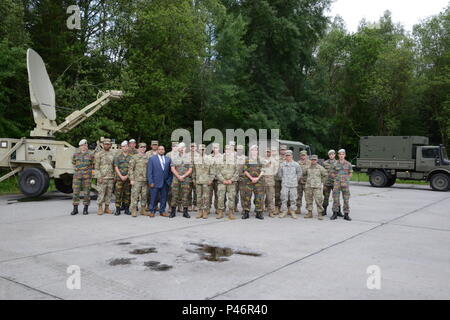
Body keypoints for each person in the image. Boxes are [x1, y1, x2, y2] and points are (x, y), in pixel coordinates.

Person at [71, 139, 94, 215]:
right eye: (81, 146)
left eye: (84, 145)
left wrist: (89, 171)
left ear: (87, 146)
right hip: (77, 176)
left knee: (87, 192)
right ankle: (75, 209)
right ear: (79, 146)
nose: (83, 147)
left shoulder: (91, 154)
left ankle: (85, 208)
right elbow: (74, 163)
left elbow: (93, 164)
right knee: (75, 192)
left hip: (87, 177)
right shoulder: (75, 155)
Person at [147, 145, 172, 217]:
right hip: (155, 182)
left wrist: (169, 181)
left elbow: (170, 172)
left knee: (164, 197)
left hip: (165, 182)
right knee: (153, 197)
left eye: (162, 149)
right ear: (157, 150)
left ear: (164, 151)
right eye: (160, 149)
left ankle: (162, 211)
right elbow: (149, 171)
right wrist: (150, 182)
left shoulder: (168, 159)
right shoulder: (152, 159)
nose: (161, 150)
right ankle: (152, 211)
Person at [216, 144, 239, 220]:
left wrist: (231, 180)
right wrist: (223, 180)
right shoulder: (219, 159)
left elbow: (237, 172)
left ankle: (231, 212)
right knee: (220, 197)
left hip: (231, 183)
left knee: (231, 198)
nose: (228, 151)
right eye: (227, 149)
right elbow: (217, 171)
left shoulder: (235, 160)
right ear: (225, 150)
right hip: (222, 182)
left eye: (230, 150)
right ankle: (220, 212)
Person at [170, 142, 192, 218]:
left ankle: (185, 212)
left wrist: (183, 176)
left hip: (185, 179)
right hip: (176, 179)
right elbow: (172, 168)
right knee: (174, 195)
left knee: (185, 195)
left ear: (185, 148)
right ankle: (173, 212)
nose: (181, 149)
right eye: (180, 147)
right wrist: (179, 176)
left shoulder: (189, 157)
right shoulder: (174, 157)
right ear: (178, 149)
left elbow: (190, 169)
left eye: (183, 147)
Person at [242, 145, 264, 220]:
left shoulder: (261, 159)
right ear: (250, 151)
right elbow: (245, 170)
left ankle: (259, 212)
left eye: (255, 150)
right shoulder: (247, 160)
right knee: (247, 197)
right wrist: (251, 178)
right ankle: (246, 212)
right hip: (248, 181)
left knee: (259, 197)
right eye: (252, 150)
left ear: (257, 151)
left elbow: (263, 170)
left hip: (259, 182)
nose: (254, 151)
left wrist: (257, 178)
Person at [278, 150, 302, 219]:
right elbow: (280, 174)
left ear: (292, 156)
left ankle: (292, 211)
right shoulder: (282, 164)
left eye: (289, 155)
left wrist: (295, 179)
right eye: (287, 155)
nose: (288, 157)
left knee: (293, 198)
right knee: (283, 197)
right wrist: (283, 179)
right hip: (285, 184)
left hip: (293, 184)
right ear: (285, 156)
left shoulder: (296, 164)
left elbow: (299, 173)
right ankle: (284, 211)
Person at [331, 149, 353, 221]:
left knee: (346, 199)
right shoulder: (335, 164)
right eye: (340, 154)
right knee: (335, 199)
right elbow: (332, 173)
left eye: (342, 154)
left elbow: (351, 173)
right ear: (338, 155)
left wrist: (347, 179)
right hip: (337, 184)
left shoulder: (348, 164)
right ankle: (335, 213)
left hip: (345, 184)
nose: (341, 155)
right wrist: (336, 178)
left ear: (345, 155)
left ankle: (346, 214)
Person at [94, 138, 115, 215]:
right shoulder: (98, 154)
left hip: (110, 177)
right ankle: (100, 208)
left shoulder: (113, 154)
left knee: (109, 194)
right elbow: (96, 167)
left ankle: (107, 207)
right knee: (101, 193)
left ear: (110, 145)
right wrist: (99, 177)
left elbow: (114, 166)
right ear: (103, 145)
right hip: (102, 177)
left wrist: (114, 176)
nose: (107, 145)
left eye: (108, 144)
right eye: (105, 144)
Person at [193, 144, 214, 219]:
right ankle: (200, 211)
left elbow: (212, 170)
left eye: (203, 149)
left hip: (206, 181)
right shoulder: (195, 159)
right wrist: (193, 179)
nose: (201, 150)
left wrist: (211, 179)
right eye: (200, 149)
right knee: (198, 196)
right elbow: (194, 170)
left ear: (205, 150)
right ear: (198, 150)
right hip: (198, 180)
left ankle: (205, 211)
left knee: (206, 197)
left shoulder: (209, 158)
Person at [304, 155, 328, 220]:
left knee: (319, 200)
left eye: (314, 160)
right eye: (312, 160)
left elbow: (325, 175)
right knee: (308, 200)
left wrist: (322, 182)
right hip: (308, 186)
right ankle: (309, 213)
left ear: (317, 160)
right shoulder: (307, 167)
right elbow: (303, 174)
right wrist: (305, 181)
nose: (313, 161)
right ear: (310, 160)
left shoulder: (320, 168)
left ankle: (320, 213)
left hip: (317, 187)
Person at [129, 142, 149, 217]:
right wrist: (131, 179)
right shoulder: (134, 157)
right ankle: (133, 210)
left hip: (145, 180)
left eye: (144, 147)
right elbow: (130, 169)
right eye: (141, 147)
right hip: (136, 180)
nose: (143, 148)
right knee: (135, 195)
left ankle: (143, 210)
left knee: (144, 195)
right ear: (138, 148)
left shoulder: (147, 157)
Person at [113, 141, 132, 215]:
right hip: (119, 178)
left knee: (127, 194)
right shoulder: (117, 157)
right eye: (123, 146)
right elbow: (116, 167)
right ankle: (118, 209)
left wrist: (127, 176)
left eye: (126, 146)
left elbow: (131, 168)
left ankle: (127, 209)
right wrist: (121, 176)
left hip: (128, 178)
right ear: (121, 147)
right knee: (118, 194)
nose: (125, 148)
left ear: (128, 147)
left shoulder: (131, 157)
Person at [323, 149, 342, 217]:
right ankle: (324, 211)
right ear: (328, 155)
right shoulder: (325, 163)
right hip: (327, 183)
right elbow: (322, 173)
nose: (331, 155)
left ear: (334, 155)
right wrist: (323, 183)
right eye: (330, 154)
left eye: (333, 154)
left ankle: (338, 211)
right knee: (325, 197)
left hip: (335, 183)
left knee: (336, 198)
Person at [261, 147, 278, 217]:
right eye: (266, 152)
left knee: (270, 197)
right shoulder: (261, 160)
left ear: (270, 153)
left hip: (270, 180)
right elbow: (259, 169)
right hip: (262, 180)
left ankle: (271, 211)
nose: (267, 153)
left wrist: (270, 174)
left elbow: (275, 170)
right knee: (261, 197)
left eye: (268, 152)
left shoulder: (273, 161)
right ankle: (260, 210)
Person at [296, 150, 311, 215]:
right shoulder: (297, 163)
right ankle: (298, 209)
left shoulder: (310, 163)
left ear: (306, 155)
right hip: (299, 182)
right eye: (302, 155)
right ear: (300, 156)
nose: (303, 156)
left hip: (307, 182)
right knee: (298, 196)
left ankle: (309, 211)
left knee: (308, 196)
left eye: (304, 155)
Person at [274, 144, 287, 214]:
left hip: (285, 179)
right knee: (277, 194)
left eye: (284, 150)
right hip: (277, 178)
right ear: (279, 151)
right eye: (282, 150)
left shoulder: (288, 158)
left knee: (285, 194)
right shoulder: (276, 158)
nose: (283, 151)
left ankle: (284, 208)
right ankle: (277, 207)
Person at [209, 143, 221, 212]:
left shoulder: (222, 157)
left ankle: (217, 208)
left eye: (216, 148)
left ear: (219, 148)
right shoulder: (208, 157)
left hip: (218, 179)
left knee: (218, 194)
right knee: (209, 194)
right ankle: (208, 208)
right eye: (214, 148)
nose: (215, 149)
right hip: (210, 179)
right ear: (212, 149)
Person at [234, 145, 247, 213]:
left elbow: (247, 169)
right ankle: (234, 207)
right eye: (238, 149)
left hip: (243, 179)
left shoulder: (245, 158)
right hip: (234, 179)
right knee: (234, 194)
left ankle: (244, 208)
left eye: (241, 149)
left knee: (243, 194)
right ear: (236, 149)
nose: (239, 150)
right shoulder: (232, 157)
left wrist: (243, 175)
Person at [187, 142, 198, 212]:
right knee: (188, 191)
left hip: (197, 176)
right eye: (191, 146)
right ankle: (189, 205)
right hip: (188, 175)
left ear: (196, 148)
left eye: (194, 146)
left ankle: (196, 205)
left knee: (196, 191)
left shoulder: (199, 155)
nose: (193, 148)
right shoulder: (186, 155)